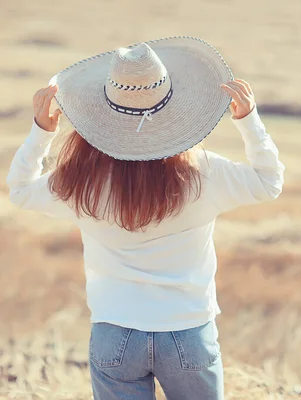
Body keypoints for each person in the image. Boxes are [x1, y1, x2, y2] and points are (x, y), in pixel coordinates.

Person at [6, 37, 284, 400]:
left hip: (114, 332)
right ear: (177, 113)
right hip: (187, 331)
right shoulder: (204, 173)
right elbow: (269, 181)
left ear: (102, 116)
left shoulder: (83, 182)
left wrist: (41, 132)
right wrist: (249, 122)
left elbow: (21, 190)